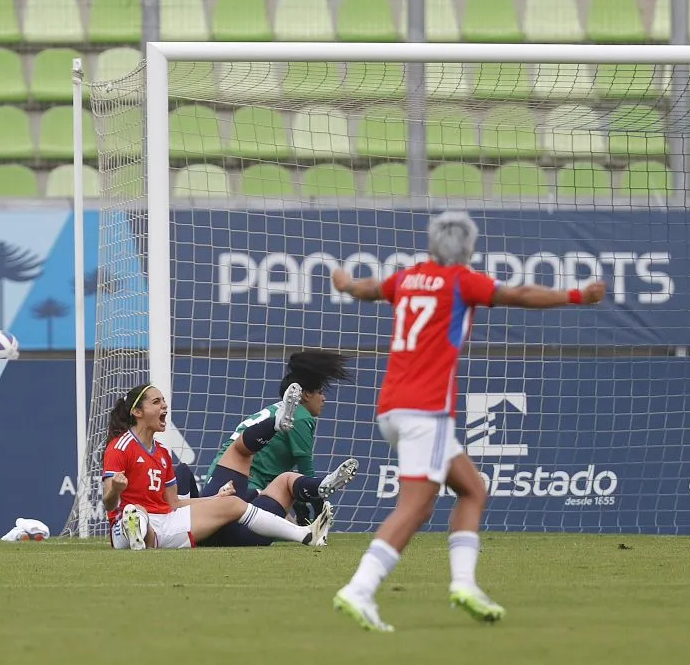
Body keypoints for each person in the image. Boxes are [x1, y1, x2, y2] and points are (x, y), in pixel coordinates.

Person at [330, 211, 607, 632]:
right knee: (416, 507)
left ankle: (464, 584)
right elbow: (520, 294)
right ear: (469, 249)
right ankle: (360, 589)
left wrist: (347, 284)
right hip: (426, 412)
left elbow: (370, 289)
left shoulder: (408, 278)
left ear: (430, 245)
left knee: (472, 489)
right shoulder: (461, 281)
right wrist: (576, 296)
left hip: (393, 407)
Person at [102, 383, 334, 550]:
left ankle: (306, 534)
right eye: (156, 402)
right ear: (137, 412)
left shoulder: (161, 453)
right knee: (135, 511)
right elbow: (109, 503)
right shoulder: (119, 447)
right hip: (124, 525)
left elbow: (174, 504)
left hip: (166, 521)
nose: (164, 406)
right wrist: (116, 490)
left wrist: (215, 499)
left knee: (231, 503)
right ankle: (139, 532)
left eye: (163, 400)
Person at [199, 351, 359, 544]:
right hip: (242, 485)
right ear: (306, 394)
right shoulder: (301, 417)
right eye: (320, 392)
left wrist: (302, 506)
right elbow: (306, 472)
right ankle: (318, 497)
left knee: (286, 523)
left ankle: (304, 523)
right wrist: (318, 509)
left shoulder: (279, 410)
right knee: (276, 522)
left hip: (220, 477)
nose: (324, 398)